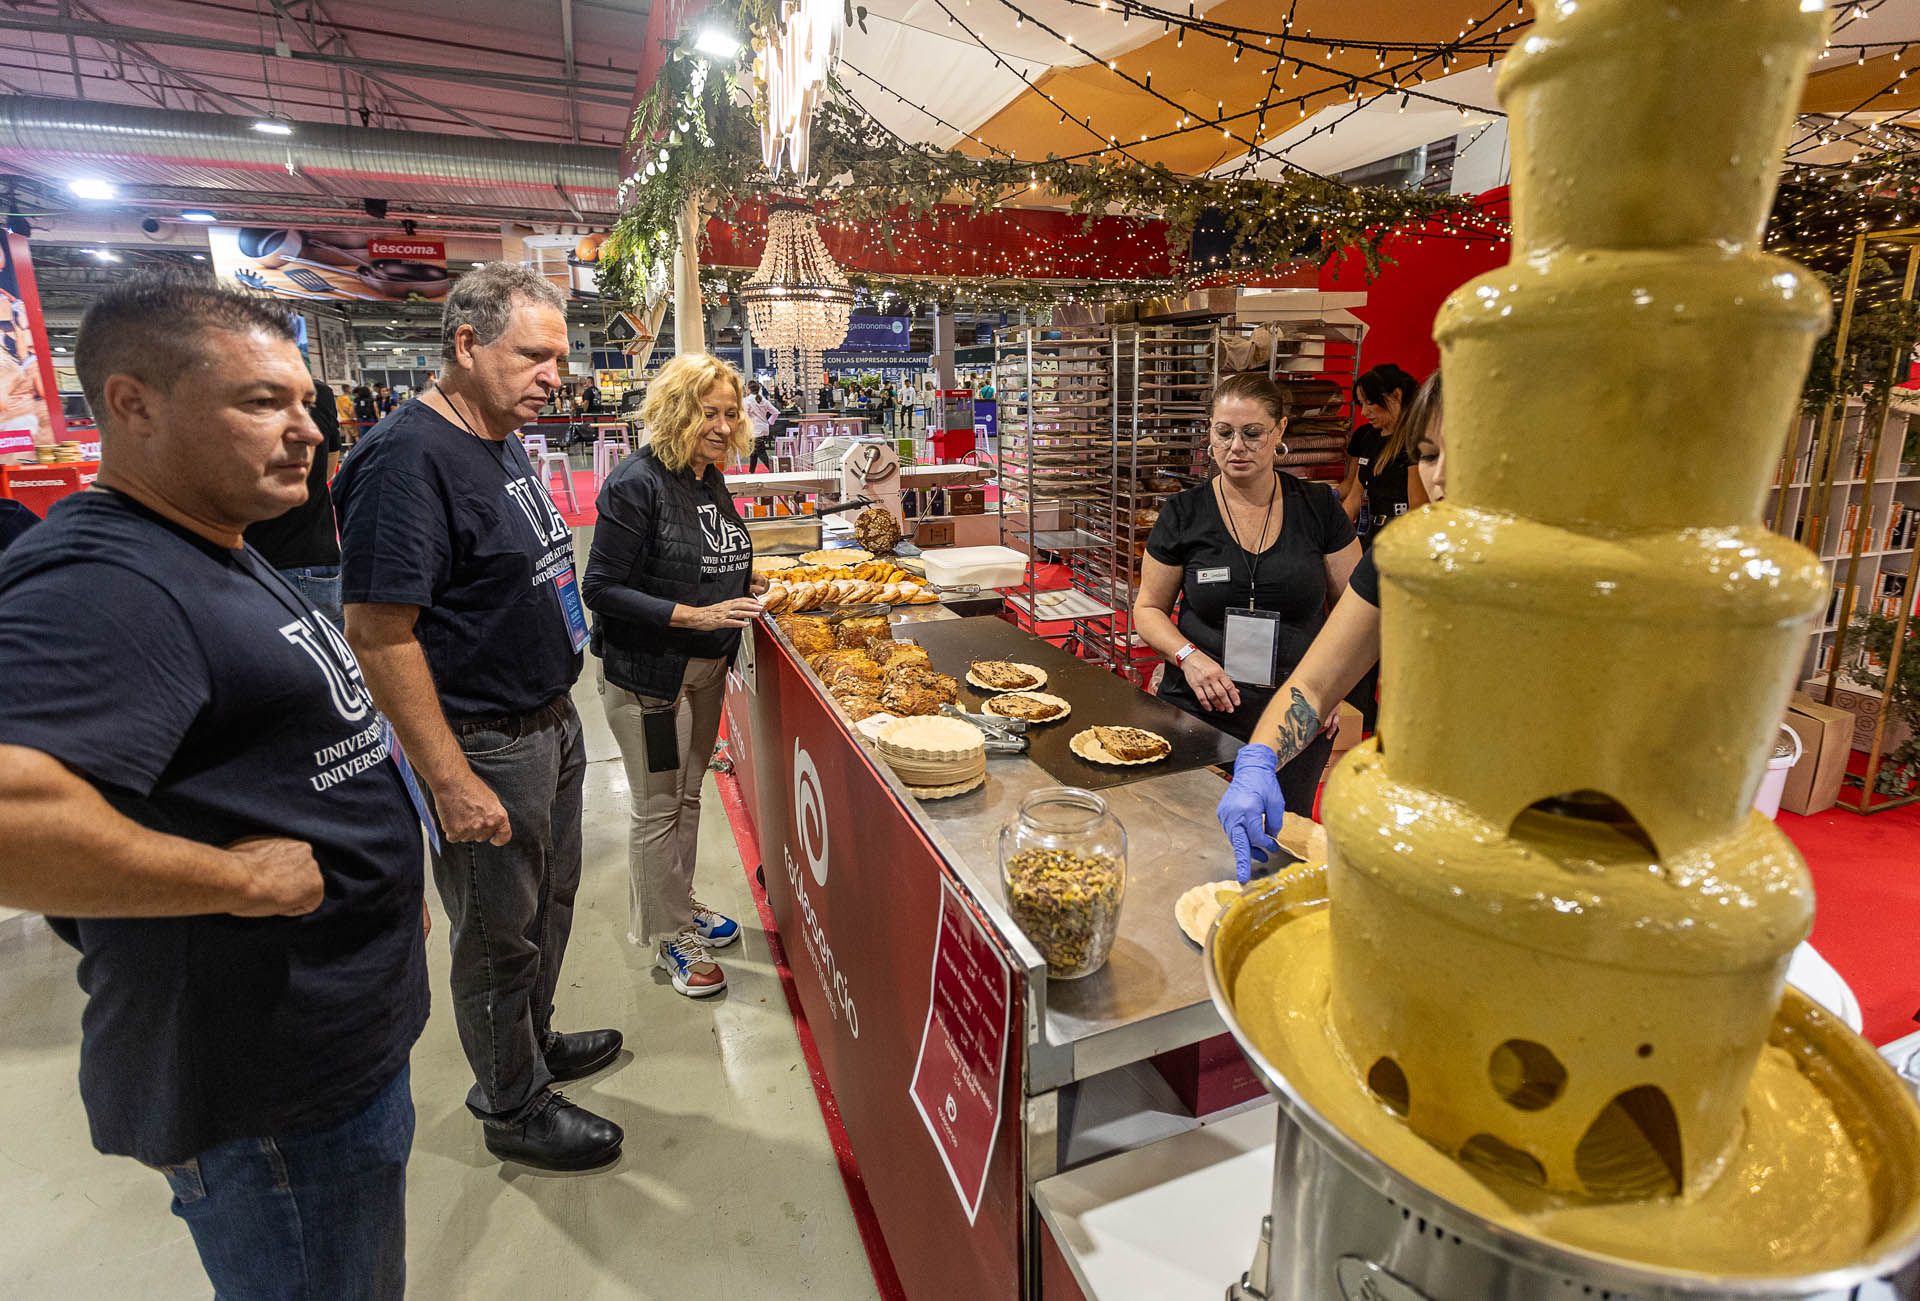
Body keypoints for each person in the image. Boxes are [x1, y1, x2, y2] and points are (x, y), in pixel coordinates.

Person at [0, 277, 428, 1298]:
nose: (306, 431)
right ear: (133, 402)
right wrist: (232, 877)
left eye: (305, 402)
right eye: (259, 403)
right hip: (264, 1090)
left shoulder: (210, 543)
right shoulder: (108, 580)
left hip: (327, 1051)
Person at [334, 263, 624, 1172]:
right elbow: (380, 636)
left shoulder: (493, 434)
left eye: (561, 358)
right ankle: (512, 1100)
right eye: (533, 355)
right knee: (499, 931)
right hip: (484, 738)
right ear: (466, 345)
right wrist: (450, 780)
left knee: (550, 901)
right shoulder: (404, 458)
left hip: (548, 716)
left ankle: (529, 1043)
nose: (555, 376)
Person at [583, 353, 765, 997]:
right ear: (674, 411)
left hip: (706, 668)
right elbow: (599, 587)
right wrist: (696, 613)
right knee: (657, 807)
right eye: (706, 413)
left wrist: (744, 581)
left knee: (688, 796)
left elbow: (701, 551)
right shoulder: (636, 482)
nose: (720, 426)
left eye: (729, 413)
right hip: (650, 681)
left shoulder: (705, 475)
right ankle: (667, 937)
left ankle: (678, 902)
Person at [1217, 370, 1444, 880]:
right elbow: (1316, 683)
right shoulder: (1399, 561)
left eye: (1470, 453)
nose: (1443, 477)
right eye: (1428, 456)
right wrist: (1260, 761)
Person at [1133, 371, 1361, 814]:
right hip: (1199, 707)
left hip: (1295, 709)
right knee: (1187, 829)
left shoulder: (1318, 507)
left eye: (1253, 433)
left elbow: (1357, 611)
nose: (1237, 447)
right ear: (1211, 434)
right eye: (1225, 433)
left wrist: (1335, 685)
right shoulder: (1184, 513)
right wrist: (1188, 658)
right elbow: (1148, 609)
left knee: (1277, 834)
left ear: (1280, 431)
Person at [246, 372, 345, 628]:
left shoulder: (245, 395)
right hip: (317, 554)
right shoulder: (321, 392)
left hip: (272, 559)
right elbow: (327, 470)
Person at [745, 379, 780, 474]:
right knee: (754, 451)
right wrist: (770, 422)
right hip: (763, 429)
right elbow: (776, 412)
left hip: (754, 429)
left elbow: (744, 415)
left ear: (748, 389)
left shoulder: (747, 400)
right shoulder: (763, 400)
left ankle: (774, 470)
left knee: (760, 452)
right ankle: (751, 472)